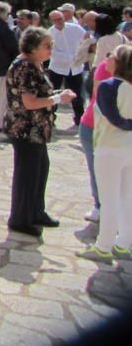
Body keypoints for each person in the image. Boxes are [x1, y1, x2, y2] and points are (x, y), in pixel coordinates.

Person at [5, 26, 76, 237]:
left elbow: (39, 93)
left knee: (40, 170)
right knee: (27, 175)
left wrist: (56, 94)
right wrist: (57, 99)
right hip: (26, 129)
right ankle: (20, 219)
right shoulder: (25, 67)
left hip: (37, 129)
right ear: (33, 47)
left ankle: (35, 211)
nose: (51, 50)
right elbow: (29, 102)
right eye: (47, 46)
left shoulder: (34, 65)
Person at [76, 45, 132, 263]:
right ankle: (124, 243)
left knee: (109, 200)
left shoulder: (110, 86)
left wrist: (127, 124)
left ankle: (103, 246)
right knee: (127, 198)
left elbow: (112, 116)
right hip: (129, 149)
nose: (108, 58)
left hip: (109, 149)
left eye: (113, 56)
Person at [78, 51, 116, 223]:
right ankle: (100, 206)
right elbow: (100, 98)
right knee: (97, 170)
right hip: (94, 127)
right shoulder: (105, 67)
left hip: (116, 132)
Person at [48, 9, 86, 126]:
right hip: (57, 67)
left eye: (60, 19)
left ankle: (80, 119)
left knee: (77, 94)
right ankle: (50, 118)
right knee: (53, 94)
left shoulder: (75, 28)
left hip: (75, 68)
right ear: (52, 21)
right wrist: (70, 57)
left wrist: (81, 55)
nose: (59, 22)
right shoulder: (50, 33)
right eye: (56, 20)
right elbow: (51, 52)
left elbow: (86, 40)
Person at [0, 2, 19, 139]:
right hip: (2, 68)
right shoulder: (4, 28)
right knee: (4, 99)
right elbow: (13, 48)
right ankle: (1, 127)